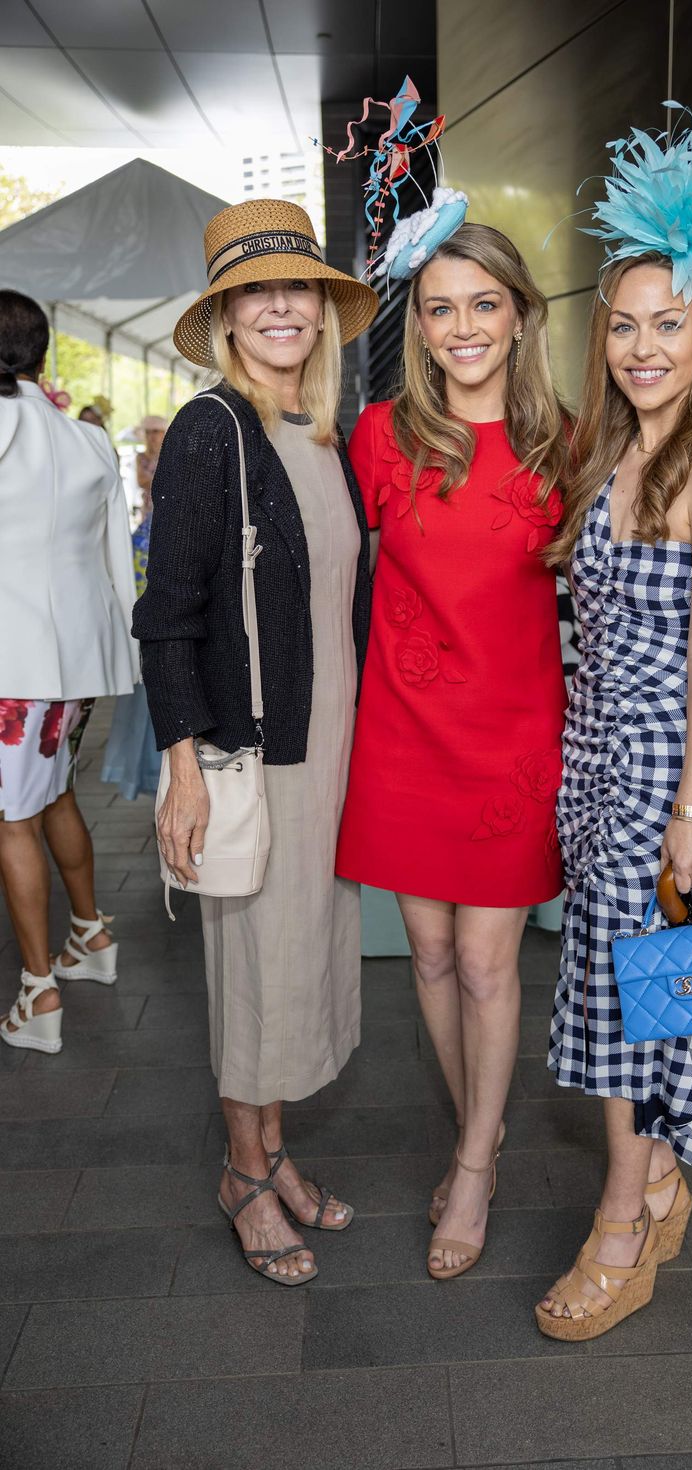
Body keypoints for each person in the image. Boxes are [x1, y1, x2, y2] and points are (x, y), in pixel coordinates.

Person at [538, 114, 692, 1338]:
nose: (641, 348)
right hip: (597, 761)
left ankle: (620, 1228)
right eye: (623, 326)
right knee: (637, 984)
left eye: (666, 324)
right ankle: (665, 1175)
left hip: (661, 774)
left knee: (627, 1006)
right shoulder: (613, 457)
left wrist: (691, 813)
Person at [133, 200, 378, 1285]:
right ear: (227, 316)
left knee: (297, 959)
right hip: (252, 755)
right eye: (255, 291)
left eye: (298, 289)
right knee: (251, 969)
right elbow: (167, 614)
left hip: (327, 748)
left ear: (321, 310)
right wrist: (182, 762)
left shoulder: (322, 437)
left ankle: (273, 1152)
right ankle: (243, 1171)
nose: (280, 307)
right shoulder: (211, 430)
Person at [335, 218, 569, 1279]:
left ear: (519, 316)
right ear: (420, 329)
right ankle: (482, 1119)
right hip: (402, 734)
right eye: (440, 308)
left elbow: (628, 573)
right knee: (428, 955)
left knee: (484, 960)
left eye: (484, 304)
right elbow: (326, 572)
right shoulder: (382, 436)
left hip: (513, 738)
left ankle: (473, 1164)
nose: (463, 326)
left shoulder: (569, 441)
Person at [0, 290, 139, 1054]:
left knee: (12, 817)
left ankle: (38, 992)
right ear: (43, 351)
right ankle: (89, 935)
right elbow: (115, 556)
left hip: (11, 660)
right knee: (52, 792)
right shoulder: (87, 440)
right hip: (78, 658)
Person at [101, 417, 168, 801]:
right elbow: (144, 485)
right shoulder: (145, 459)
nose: (155, 437)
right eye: (152, 432)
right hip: (149, 533)